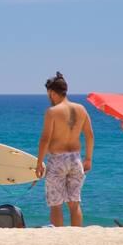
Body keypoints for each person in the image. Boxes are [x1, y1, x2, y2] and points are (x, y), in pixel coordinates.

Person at [35, 72, 94, 227]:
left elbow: (45, 139)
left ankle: (59, 236)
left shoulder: (52, 112)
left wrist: (39, 162)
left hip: (57, 160)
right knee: (74, 203)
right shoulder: (81, 109)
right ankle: (76, 235)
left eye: (49, 94)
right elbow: (90, 135)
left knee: (56, 204)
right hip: (75, 159)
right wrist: (88, 158)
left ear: (53, 93)